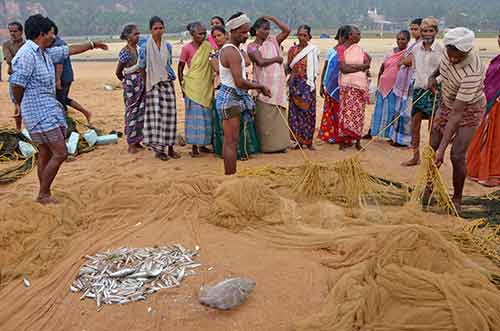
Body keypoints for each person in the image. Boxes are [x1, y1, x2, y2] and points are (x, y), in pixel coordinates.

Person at [10, 14, 107, 204]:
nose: (53, 37)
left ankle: (44, 191)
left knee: (45, 153)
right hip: (38, 113)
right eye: (50, 34)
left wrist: (92, 44)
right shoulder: (27, 55)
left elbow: (67, 50)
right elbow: (17, 84)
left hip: (46, 110)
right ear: (40, 34)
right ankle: (43, 194)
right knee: (60, 152)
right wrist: (19, 105)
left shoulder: (43, 52)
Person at [428, 27, 486, 211]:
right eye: (450, 53)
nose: (452, 58)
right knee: (432, 147)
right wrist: (432, 76)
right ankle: (428, 188)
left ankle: (457, 198)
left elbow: (457, 114)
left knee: (457, 155)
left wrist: (443, 149)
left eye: (458, 55)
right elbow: (443, 65)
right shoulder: (448, 51)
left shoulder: (473, 71)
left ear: (467, 50)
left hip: (469, 109)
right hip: (447, 103)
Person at [216, 12, 271, 175]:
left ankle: (231, 175)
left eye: (247, 31)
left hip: (234, 96)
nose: (246, 35)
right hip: (231, 97)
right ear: (232, 31)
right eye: (242, 32)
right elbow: (239, 82)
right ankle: (230, 178)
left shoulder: (235, 50)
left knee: (232, 141)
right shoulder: (231, 51)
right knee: (231, 142)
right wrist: (259, 86)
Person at [210, 26, 260, 161]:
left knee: (240, 128)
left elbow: (247, 62)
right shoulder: (222, 53)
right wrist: (258, 86)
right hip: (227, 91)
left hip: (238, 91)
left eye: (219, 35)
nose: (217, 38)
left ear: (225, 35)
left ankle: (242, 153)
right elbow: (234, 78)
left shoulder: (236, 51)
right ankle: (231, 162)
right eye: (214, 36)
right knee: (229, 136)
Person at [402, 17, 443, 166]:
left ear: (436, 32)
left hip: (435, 91)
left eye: (430, 30)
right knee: (415, 125)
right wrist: (418, 84)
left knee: (433, 127)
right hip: (419, 89)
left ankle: (431, 157)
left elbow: (445, 70)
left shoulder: (441, 49)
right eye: (424, 30)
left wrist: (435, 83)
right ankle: (415, 156)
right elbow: (414, 68)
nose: (427, 33)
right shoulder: (415, 48)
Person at [139, 16, 180, 161]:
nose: (158, 31)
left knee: (170, 116)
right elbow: (141, 68)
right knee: (157, 118)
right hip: (153, 85)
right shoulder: (144, 48)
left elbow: (168, 64)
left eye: (160, 28)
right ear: (150, 30)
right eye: (155, 28)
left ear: (164, 29)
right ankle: (159, 150)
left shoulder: (168, 46)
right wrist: (147, 85)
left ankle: (170, 148)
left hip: (167, 83)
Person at [247, 16, 290, 153]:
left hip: (278, 86)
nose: (267, 32)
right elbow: (260, 61)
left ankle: (280, 145)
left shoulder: (273, 41)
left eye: (268, 29)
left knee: (279, 117)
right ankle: (267, 147)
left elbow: (287, 30)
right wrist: (277, 58)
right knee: (265, 118)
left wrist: (273, 19)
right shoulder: (252, 46)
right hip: (263, 86)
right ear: (256, 30)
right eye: (264, 29)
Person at [467, 30, 500, 187]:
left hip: (498, 104)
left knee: (495, 138)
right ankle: (479, 170)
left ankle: (493, 173)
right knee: (484, 135)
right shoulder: (496, 60)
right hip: (488, 102)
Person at [178, 22, 214, 157]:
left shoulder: (208, 46)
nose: (203, 36)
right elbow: (180, 67)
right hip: (192, 87)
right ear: (192, 34)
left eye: (205, 33)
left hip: (205, 86)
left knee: (206, 116)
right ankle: (194, 147)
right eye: (200, 33)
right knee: (193, 117)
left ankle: (203, 145)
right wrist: (182, 86)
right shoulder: (186, 48)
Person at [367, 30, 410, 140]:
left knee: (392, 110)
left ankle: (390, 135)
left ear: (408, 40)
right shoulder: (390, 52)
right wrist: (378, 84)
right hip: (383, 85)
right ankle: (372, 131)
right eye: (399, 39)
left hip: (396, 87)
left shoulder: (408, 54)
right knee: (378, 110)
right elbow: (382, 68)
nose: (400, 41)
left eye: (403, 39)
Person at [48, 20, 92, 123]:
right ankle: (85, 112)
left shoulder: (57, 44)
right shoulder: (57, 42)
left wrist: (57, 80)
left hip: (62, 77)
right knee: (63, 98)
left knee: (60, 101)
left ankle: (65, 121)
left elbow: (59, 64)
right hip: (66, 76)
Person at [389, 18, 423, 147]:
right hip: (402, 83)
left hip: (410, 83)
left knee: (406, 113)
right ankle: (396, 138)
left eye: (416, 29)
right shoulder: (415, 44)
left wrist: (403, 61)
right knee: (399, 111)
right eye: (412, 29)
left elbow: (407, 60)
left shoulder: (420, 45)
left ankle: (405, 141)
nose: (414, 31)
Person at [337, 25, 371, 150]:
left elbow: (367, 64)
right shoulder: (341, 49)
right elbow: (343, 69)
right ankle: (343, 142)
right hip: (347, 87)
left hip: (359, 87)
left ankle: (357, 141)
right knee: (345, 114)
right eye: (358, 34)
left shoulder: (360, 50)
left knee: (358, 115)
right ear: (350, 35)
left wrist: (360, 67)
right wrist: (360, 67)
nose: (359, 36)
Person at [287, 25, 320, 150]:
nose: (301, 37)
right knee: (295, 113)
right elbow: (289, 67)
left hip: (308, 85)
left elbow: (315, 69)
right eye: (299, 35)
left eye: (304, 35)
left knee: (308, 113)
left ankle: (309, 141)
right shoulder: (292, 50)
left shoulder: (313, 50)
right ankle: (299, 141)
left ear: (309, 36)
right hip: (295, 84)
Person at [115, 24, 145, 154]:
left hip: (140, 82)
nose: (138, 36)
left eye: (138, 34)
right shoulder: (125, 52)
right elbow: (118, 71)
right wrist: (127, 80)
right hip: (131, 85)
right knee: (131, 111)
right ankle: (131, 143)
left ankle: (138, 140)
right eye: (135, 34)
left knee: (141, 111)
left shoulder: (139, 49)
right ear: (128, 37)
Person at [318, 26, 348, 144]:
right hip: (330, 87)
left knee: (340, 112)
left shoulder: (348, 52)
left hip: (342, 86)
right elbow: (325, 69)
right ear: (339, 37)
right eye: (344, 37)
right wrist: (321, 85)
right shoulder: (331, 51)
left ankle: (341, 136)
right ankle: (329, 135)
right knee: (330, 111)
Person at [3, 21, 25, 130]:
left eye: (15, 31)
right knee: (17, 104)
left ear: (21, 32)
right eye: (10, 31)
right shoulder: (6, 44)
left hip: (27, 77)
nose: (12, 33)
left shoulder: (26, 44)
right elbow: (9, 60)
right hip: (14, 77)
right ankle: (18, 129)